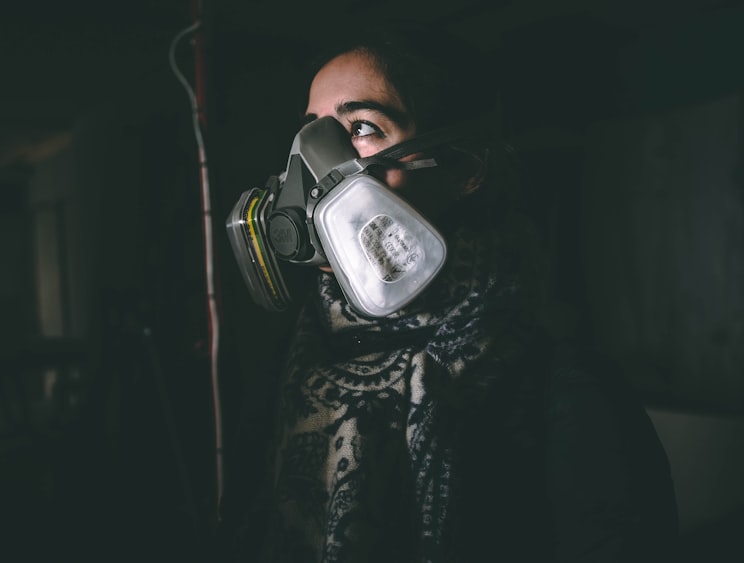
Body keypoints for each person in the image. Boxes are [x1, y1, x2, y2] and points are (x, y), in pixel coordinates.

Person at [219, 22, 678, 563]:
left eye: (361, 127)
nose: (313, 172)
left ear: (464, 168)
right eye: (311, 133)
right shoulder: (291, 368)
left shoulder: (567, 394)